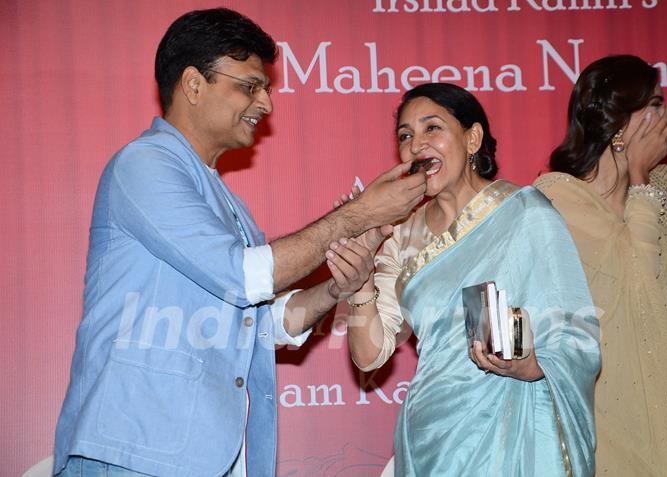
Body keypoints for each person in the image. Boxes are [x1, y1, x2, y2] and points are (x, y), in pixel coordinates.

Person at [52, 8, 427, 477]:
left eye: (265, 87)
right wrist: (362, 213)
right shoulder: (144, 165)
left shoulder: (228, 204)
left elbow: (256, 323)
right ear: (193, 84)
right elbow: (242, 275)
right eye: (250, 86)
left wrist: (336, 289)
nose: (266, 103)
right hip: (136, 451)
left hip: (203, 457)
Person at [331, 83, 601, 476]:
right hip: (431, 437)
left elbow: (576, 328)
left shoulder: (526, 213)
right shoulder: (401, 234)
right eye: (406, 136)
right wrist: (360, 282)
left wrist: (530, 367)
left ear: (472, 138)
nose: (416, 145)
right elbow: (370, 355)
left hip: (510, 430)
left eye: (432, 129)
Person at [534, 54, 667, 475]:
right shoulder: (554, 204)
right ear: (619, 122)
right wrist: (638, 177)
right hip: (596, 414)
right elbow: (638, 285)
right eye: (655, 104)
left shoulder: (665, 191)